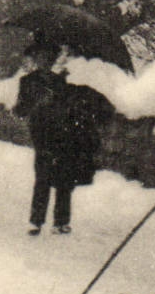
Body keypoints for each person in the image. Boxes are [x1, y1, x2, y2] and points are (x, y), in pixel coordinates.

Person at [13, 40, 114, 236]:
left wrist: (64, 89)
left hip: (63, 133)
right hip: (42, 134)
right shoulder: (27, 82)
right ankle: (36, 221)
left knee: (64, 177)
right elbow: (19, 110)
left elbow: (69, 103)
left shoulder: (60, 80)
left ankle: (61, 221)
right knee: (42, 177)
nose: (45, 61)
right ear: (35, 59)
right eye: (41, 57)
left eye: (49, 57)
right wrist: (37, 104)